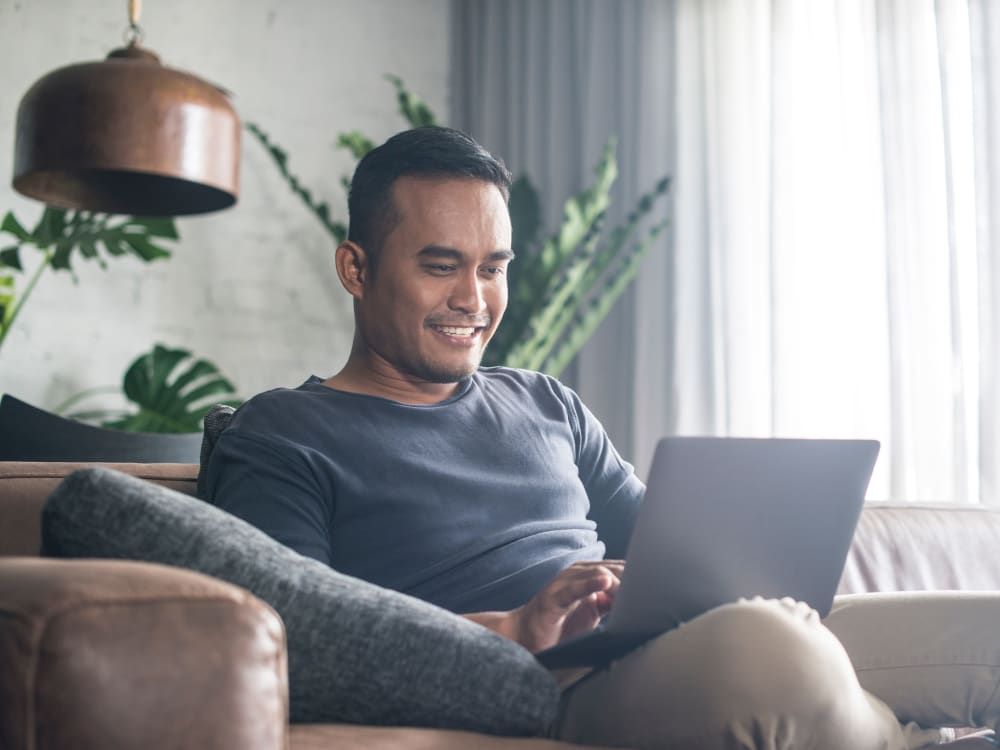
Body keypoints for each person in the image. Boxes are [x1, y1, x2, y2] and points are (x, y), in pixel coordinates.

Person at [204, 126, 1000, 750]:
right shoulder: (282, 435)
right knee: (774, 651)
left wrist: (740, 574)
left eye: (493, 267)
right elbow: (296, 636)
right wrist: (514, 628)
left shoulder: (545, 403)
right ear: (355, 267)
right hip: (550, 684)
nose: (474, 299)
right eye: (441, 265)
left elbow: (676, 557)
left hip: (678, 644)